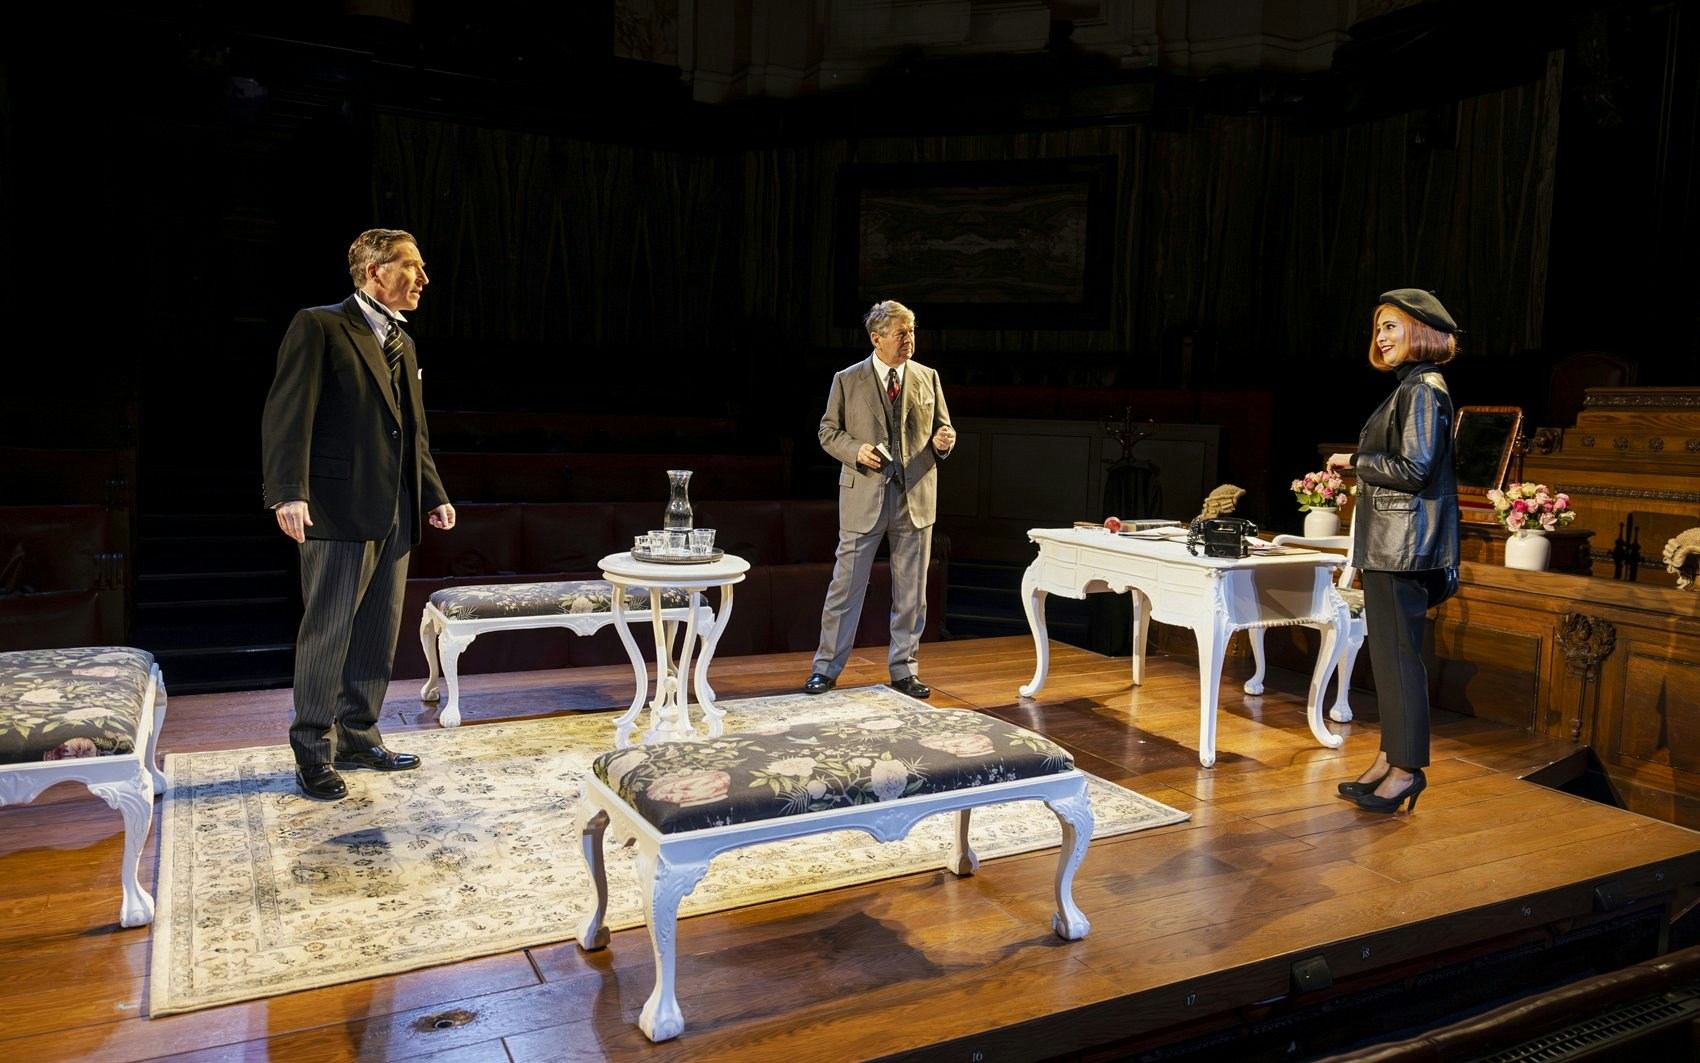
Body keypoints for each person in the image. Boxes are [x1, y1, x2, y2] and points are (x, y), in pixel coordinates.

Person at [262, 228, 456, 801]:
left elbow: (413, 432)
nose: (423, 279)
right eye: (412, 266)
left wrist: (433, 492)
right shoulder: (320, 325)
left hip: (394, 507)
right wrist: (287, 492)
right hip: (336, 507)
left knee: (377, 631)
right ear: (375, 270)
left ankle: (358, 735)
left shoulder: (403, 341)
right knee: (328, 631)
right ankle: (312, 750)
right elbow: (287, 413)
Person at [1328, 288, 1461, 815]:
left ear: (1421, 331)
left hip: (1404, 548)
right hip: (1390, 546)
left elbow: (1415, 469)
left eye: (1392, 327)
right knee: (1388, 659)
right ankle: (1390, 756)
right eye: (1378, 328)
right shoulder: (1409, 387)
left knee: (1400, 660)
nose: (1381, 338)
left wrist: (1356, 460)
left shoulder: (1424, 389)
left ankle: (1406, 771)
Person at [803, 300, 955, 699]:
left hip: (914, 499)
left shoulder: (928, 377)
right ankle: (826, 669)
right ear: (877, 338)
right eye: (901, 333)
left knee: (912, 594)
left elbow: (943, 429)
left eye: (912, 331)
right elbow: (827, 432)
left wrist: (944, 441)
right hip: (865, 498)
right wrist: (855, 450)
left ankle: (905, 670)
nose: (909, 339)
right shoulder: (847, 379)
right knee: (845, 589)